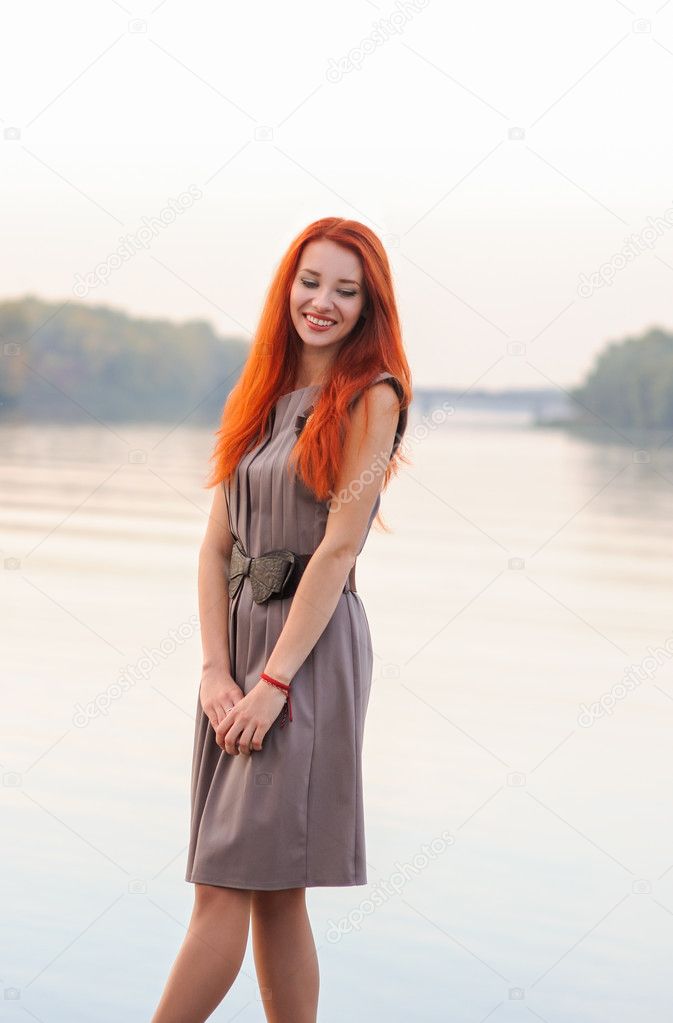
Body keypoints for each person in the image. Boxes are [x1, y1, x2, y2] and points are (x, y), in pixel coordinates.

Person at [150, 217, 412, 1023]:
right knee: (271, 888)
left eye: (345, 289)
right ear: (287, 286)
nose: (322, 302)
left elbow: (336, 551)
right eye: (310, 281)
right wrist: (214, 671)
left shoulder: (374, 397)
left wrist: (270, 681)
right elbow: (212, 549)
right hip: (236, 657)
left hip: (304, 656)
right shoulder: (259, 389)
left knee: (225, 881)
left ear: (369, 305)